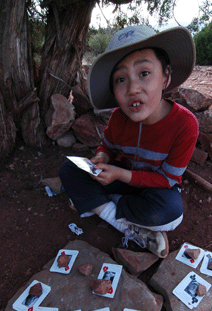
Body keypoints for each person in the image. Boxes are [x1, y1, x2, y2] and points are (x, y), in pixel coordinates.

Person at [59, 25, 199, 258]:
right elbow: (108, 147)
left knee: (171, 214)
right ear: (113, 90)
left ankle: (98, 205)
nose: (133, 89)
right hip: (120, 180)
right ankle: (127, 226)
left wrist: (119, 175)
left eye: (144, 73)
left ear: (166, 76)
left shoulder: (185, 125)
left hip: (155, 188)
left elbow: (167, 179)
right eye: (121, 79)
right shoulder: (118, 118)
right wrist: (102, 157)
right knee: (69, 169)